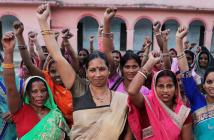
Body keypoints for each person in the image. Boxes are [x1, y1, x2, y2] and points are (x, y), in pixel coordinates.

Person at [36, 4, 132, 139]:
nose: (97, 74)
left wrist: (106, 23)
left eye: (101, 69)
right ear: (86, 72)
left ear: (109, 70)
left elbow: (128, 133)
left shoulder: (121, 100)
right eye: (92, 70)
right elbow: (57, 56)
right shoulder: (79, 89)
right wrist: (42, 22)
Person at [1, 31, 69, 139]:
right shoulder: (19, 112)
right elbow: (11, 89)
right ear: (27, 94)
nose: (40, 95)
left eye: (43, 90)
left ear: (48, 93)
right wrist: (8, 52)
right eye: (34, 91)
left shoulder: (56, 115)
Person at [13, 20, 73, 127]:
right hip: (52, 128)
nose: (57, 75)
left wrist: (65, 42)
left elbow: (74, 59)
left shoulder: (74, 83)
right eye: (53, 71)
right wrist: (19, 36)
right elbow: (29, 63)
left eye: (60, 71)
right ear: (48, 72)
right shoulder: (47, 81)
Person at [127, 50, 192, 140]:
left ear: (176, 88)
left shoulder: (183, 113)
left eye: (169, 86)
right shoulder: (147, 104)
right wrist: (149, 63)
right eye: (161, 86)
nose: (165, 90)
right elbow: (132, 91)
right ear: (154, 87)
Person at [176, 25, 214, 140]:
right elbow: (185, 73)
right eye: (209, 82)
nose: (213, 85)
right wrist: (178, 40)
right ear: (203, 85)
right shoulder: (197, 99)